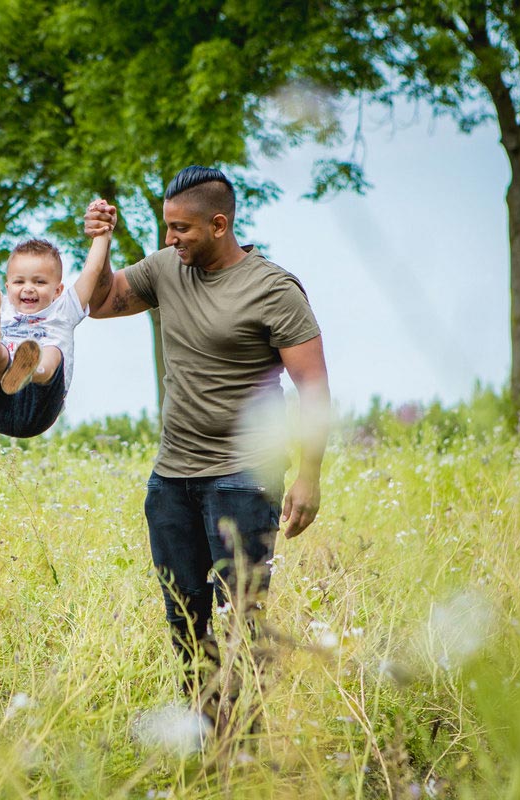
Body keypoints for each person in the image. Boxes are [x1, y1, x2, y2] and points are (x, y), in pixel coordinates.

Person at [83, 166, 331, 732]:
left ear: (219, 224)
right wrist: (98, 241)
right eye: (167, 228)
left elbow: (314, 390)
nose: (170, 239)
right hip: (171, 480)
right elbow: (99, 303)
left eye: (181, 228)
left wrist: (308, 478)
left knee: (243, 618)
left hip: (244, 480)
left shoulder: (274, 289)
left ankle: (249, 743)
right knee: (185, 619)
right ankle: (206, 735)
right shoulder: (166, 269)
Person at [0, 201, 115, 438]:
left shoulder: (64, 309)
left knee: (52, 352)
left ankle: (32, 368)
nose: (28, 289)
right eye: (20, 282)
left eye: (39, 282)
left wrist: (102, 233)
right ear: (8, 285)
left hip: (39, 407)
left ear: (58, 290)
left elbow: (92, 270)